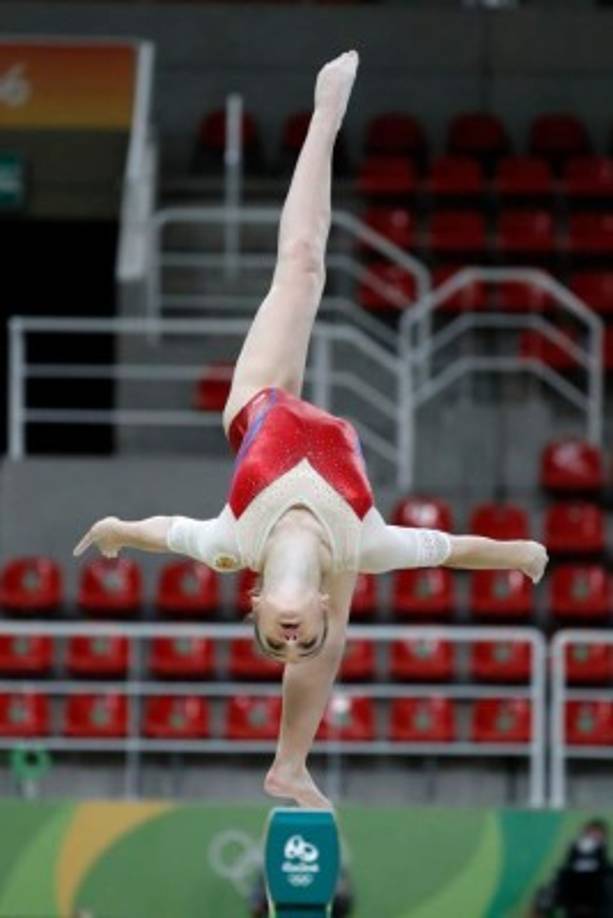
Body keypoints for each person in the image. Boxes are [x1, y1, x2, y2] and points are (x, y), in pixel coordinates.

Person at [74, 51, 549, 810]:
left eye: (277, 637)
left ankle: (324, 115)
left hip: (260, 403)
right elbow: (452, 548)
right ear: (324, 608)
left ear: (256, 605)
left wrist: (116, 531)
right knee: (310, 273)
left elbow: (162, 532)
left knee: (299, 265)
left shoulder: (230, 543)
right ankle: (290, 766)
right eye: (302, 638)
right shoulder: (365, 548)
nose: (291, 636)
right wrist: (518, 554)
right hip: (333, 508)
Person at [531, 820, 613, 918]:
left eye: (597, 838)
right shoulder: (567, 873)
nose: (592, 842)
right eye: (590, 836)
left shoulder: (607, 875)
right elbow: (546, 900)